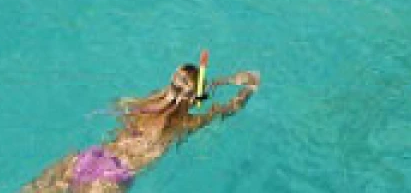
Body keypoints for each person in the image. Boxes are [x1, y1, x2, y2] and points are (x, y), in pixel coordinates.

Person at [22, 62, 259, 191]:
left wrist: (221, 82)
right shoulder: (184, 123)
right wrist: (246, 89)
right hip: (112, 175)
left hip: (95, 156)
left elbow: (196, 97)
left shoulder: (152, 102)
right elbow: (225, 110)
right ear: (192, 98)